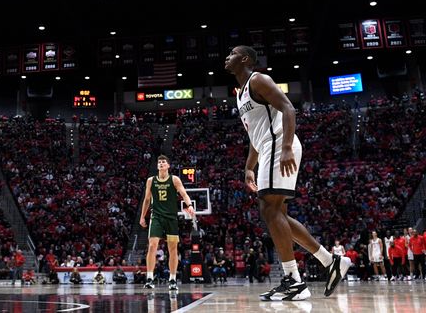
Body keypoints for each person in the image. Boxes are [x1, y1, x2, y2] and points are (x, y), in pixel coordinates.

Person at [226, 46, 351, 300]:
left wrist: (284, 148)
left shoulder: (258, 79)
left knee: (268, 208)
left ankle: (294, 280)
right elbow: (255, 135)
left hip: (281, 144)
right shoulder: (240, 94)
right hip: (267, 148)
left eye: (233, 53)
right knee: (277, 213)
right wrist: (249, 166)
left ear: (246, 59)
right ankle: (331, 262)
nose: (227, 56)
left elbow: (288, 109)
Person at [139, 154, 195, 291]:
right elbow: (146, 200)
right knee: (152, 245)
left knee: (173, 249)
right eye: (159, 162)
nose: (161, 164)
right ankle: (150, 278)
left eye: (164, 162)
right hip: (156, 216)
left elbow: (184, 193)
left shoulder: (174, 179)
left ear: (168, 166)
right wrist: (142, 217)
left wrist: (189, 205)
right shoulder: (150, 181)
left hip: (171, 217)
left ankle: (172, 279)